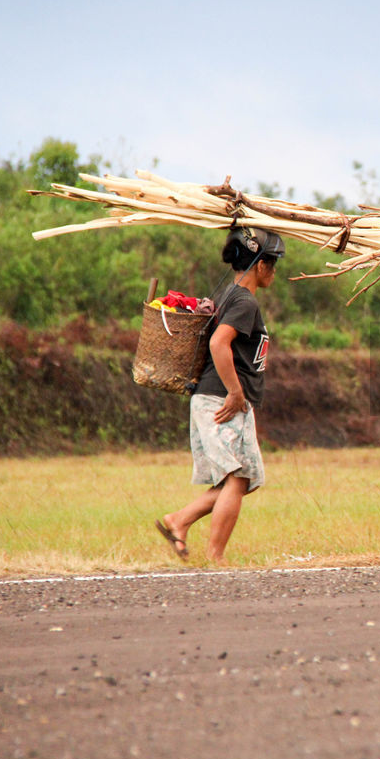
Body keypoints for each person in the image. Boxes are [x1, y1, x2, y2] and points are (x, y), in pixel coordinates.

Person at [155, 226, 283, 563]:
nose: (274, 271)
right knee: (238, 478)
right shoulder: (244, 301)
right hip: (222, 400)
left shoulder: (230, 295)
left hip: (214, 399)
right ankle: (216, 558)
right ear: (259, 266)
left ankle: (178, 521)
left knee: (242, 479)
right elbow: (218, 343)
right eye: (272, 263)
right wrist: (236, 393)